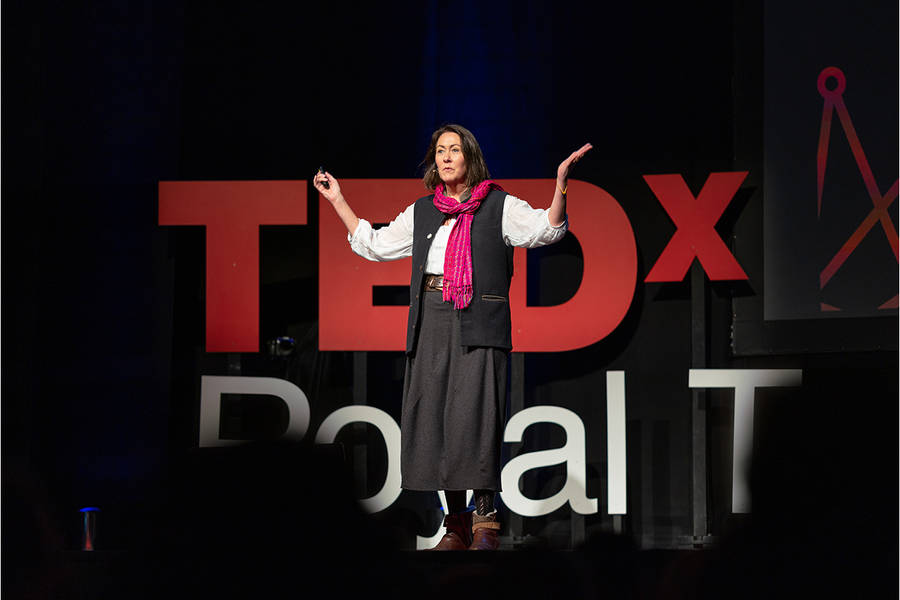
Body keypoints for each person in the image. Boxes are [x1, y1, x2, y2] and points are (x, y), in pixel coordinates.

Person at [314, 124, 591, 550]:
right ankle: (456, 523)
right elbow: (375, 244)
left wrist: (560, 185)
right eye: (439, 150)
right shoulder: (424, 211)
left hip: (477, 315)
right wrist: (338, 201)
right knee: (437, 419)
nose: (445, 157)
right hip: (431, 318)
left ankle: (486, 520)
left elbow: (546, 230)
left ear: (470, 158)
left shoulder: (498, 204)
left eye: (454, 150)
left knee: (473, 416)